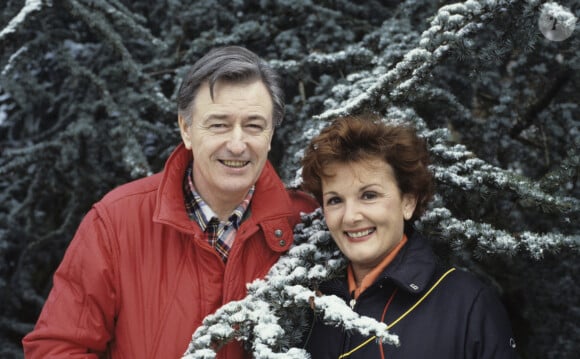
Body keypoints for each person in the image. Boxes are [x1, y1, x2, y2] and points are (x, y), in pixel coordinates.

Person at [22, 46, 318, 358]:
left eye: (254, 126)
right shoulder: (116, 222)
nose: (236, 143)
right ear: (186, 129)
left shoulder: (305, 223)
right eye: (218, 124)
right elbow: (56, 348)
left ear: (270, 134)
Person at [300, 114, 519, 358]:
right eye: (335, 200)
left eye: (369, 195)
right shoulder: (302, 305)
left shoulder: (467, 304)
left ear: (408, 201)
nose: (350, 216)